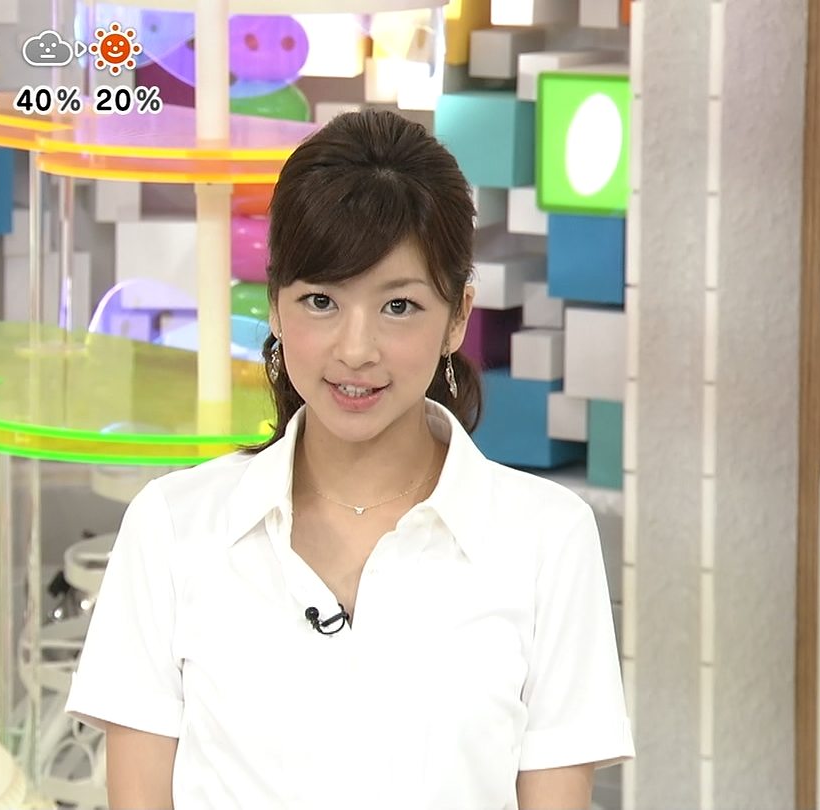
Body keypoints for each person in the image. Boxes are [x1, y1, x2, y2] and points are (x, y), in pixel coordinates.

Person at [66, 108, 633, 809]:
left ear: (458, 315)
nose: (356, 349)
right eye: (320, 301)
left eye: (398, 306)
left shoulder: (548, 538)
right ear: (275, 306)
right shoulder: (172, 528)